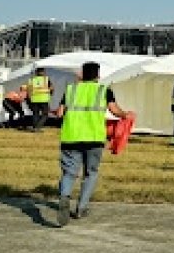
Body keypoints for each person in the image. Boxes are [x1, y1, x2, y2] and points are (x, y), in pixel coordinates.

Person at [55, 61, 129, 226]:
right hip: (94, 138)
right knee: (91, 173)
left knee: (69, 172)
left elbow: (59, 113)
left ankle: (64, 195)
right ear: (97, 75)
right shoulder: (104, 90)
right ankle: (81, 208)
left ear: (82, 74)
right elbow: (114, 110)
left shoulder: (71, 90)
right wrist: (126, 115)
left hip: (71, 136)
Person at [26, 66, 54, 132]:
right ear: (43, 72)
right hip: (44, 99)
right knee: (45, 114)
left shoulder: (32, 80)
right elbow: (52, 88)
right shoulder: (46, 79)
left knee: (35, 114)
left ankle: (35, 127)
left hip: (34, 99)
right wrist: (50, 93)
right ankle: (37, 127)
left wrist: (29, 99)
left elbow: (29, 90)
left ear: (36, 72)